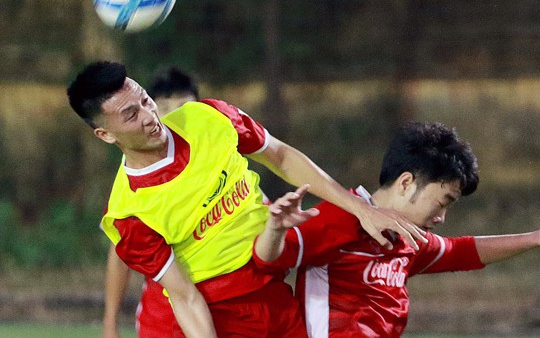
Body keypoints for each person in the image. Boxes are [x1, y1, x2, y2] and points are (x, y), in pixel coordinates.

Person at [67, 61, 426, 338]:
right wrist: (111, 322)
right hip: (215, 313)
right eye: (131, 115)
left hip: (271, 291)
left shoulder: (209, 117)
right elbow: (185, 297)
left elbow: (281, 157)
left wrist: (361, 209)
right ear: (105, 134)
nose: (149, 117)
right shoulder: (129, 212)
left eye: (145, 100)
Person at [253, 121, 540, 338]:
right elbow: (266, 261)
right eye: (442, 201)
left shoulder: (408, 240)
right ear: (406, 183)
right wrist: (274, 230)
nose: (442, 217)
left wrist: (536, 238)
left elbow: (462, 251)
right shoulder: (341, 217)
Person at [102, 66, 199, 338]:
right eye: (166, 107)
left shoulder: (218, 155)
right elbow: (121, 254)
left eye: (184, 105)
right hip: (165, 318)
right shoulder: (135, 179)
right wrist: (110, 322)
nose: (176, 113)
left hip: (231, 306)